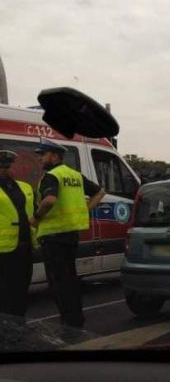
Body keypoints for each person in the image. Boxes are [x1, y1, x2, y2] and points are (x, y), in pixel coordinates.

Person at [30, 138, 105, 327]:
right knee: (70, 279)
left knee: (57, 283)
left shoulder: (52, 176)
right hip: (71, 234)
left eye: (43, 155)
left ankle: (69, 322)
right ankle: (76, 318)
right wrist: (86, 209)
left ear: (54, 155)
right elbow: (100, 192)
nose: (40, 159)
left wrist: (36, 218)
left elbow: (49, 201)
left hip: (53, 236)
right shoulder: (75, 175)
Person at [0, 150, 36, 317]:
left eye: (11, 164)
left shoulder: (25, 187)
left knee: (21, 290)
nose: (7, 168)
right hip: (3, 250)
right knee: (5, 293)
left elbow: (34, 212)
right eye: (4, 165)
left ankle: (19, 326)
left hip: (25, 247)